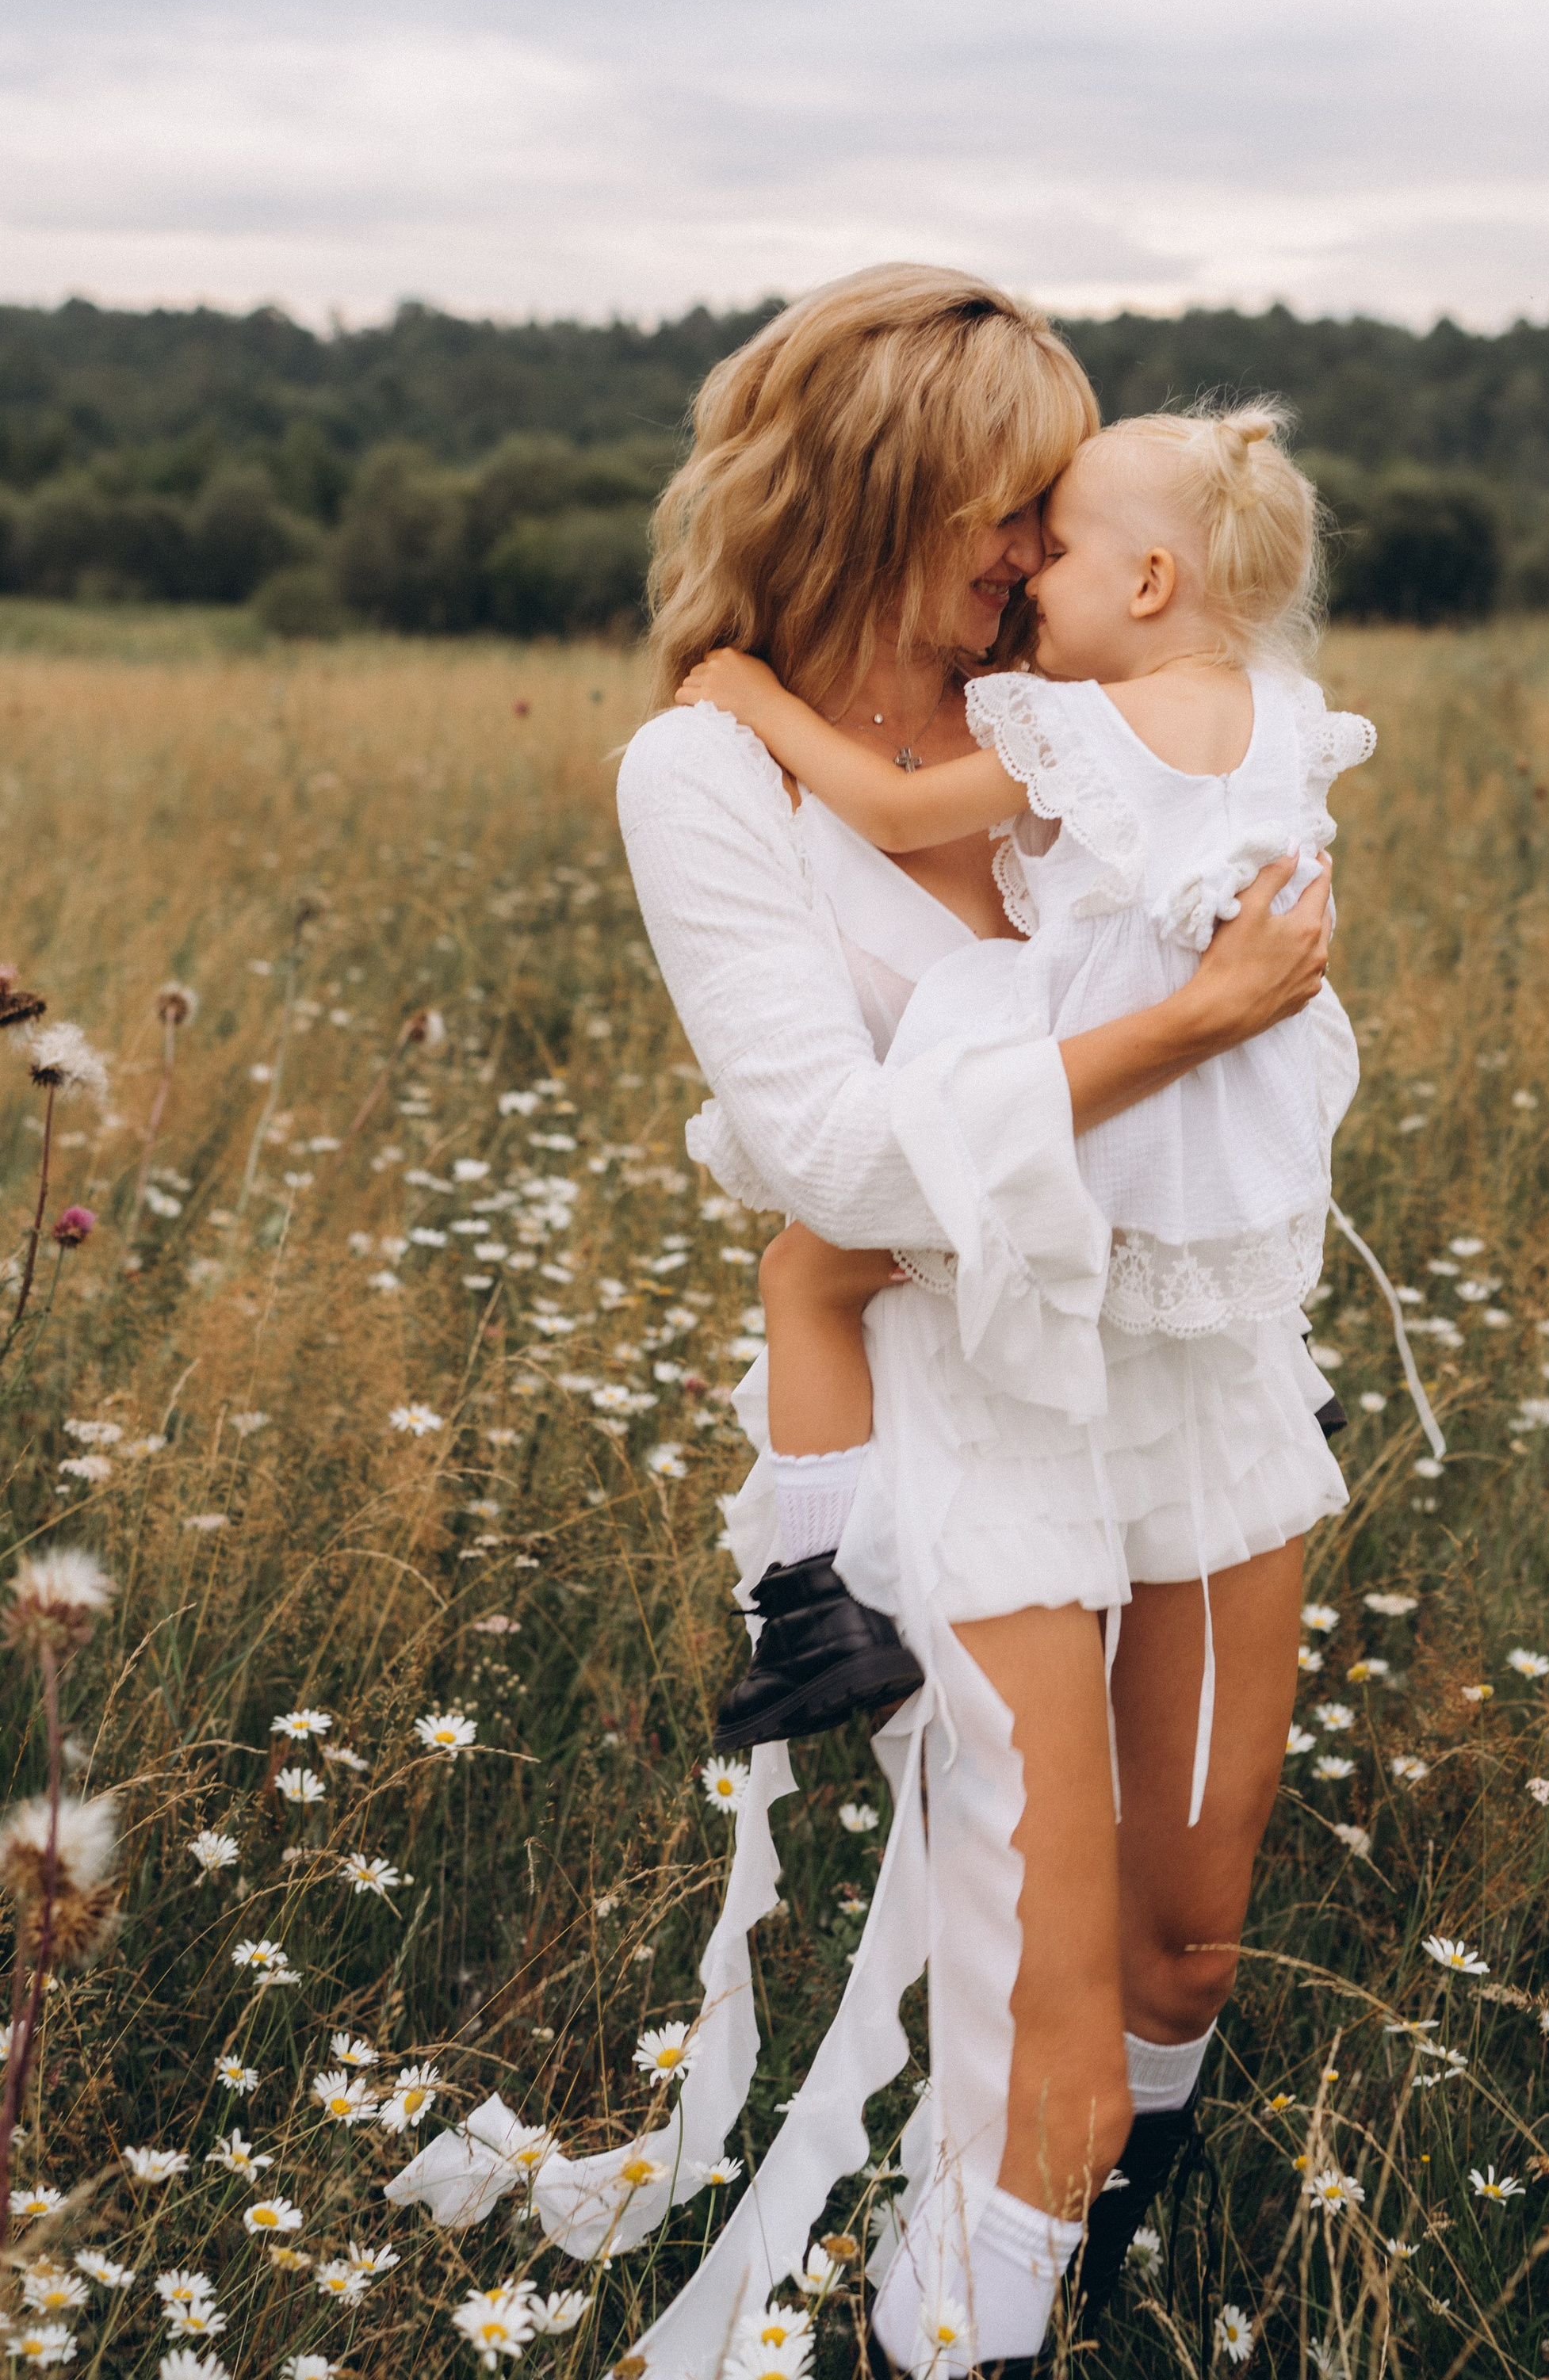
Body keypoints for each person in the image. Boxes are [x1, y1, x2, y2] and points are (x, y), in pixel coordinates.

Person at [386, 266, 1356, 2378]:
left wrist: (1237, 980)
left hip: (1190, 1368)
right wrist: (1195, 1023)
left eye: (1054, 513)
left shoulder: (1079, 698)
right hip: (976, 1389)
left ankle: (1107, 2269)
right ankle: (980, 2332)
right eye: (1004, 509)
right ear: (880, 492)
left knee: (1190, 1945)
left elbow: (1239, 880)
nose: (1033, 556)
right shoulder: (712, 772)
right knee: (1049, 2007)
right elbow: (828, 1156)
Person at [682, 402, 1375, 1805]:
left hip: (1113, 1081)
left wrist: (749, 697)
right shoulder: (1286, 714)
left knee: (811, 1267)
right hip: (1242, 1112)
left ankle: (816, 1595)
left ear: (1146, 585)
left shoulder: (1098, 728)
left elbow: (888, 810)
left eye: (1051, 550)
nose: (1027, 577)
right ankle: (1260, 1391)